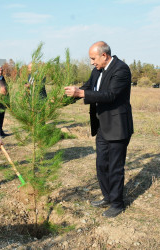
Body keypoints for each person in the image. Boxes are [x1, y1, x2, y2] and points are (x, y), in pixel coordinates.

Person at [64, 41, 134, 218]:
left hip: (118, 127)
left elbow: (110, 95)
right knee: (102, 164)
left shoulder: (121, 69)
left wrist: (80, 94)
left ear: (104, 55)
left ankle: (117, 204)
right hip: (102, 125)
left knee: (115, 167)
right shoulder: (96, 71)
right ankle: (108, 197)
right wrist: (64, 99)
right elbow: (86, 88)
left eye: (93, 58)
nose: (91, 62)